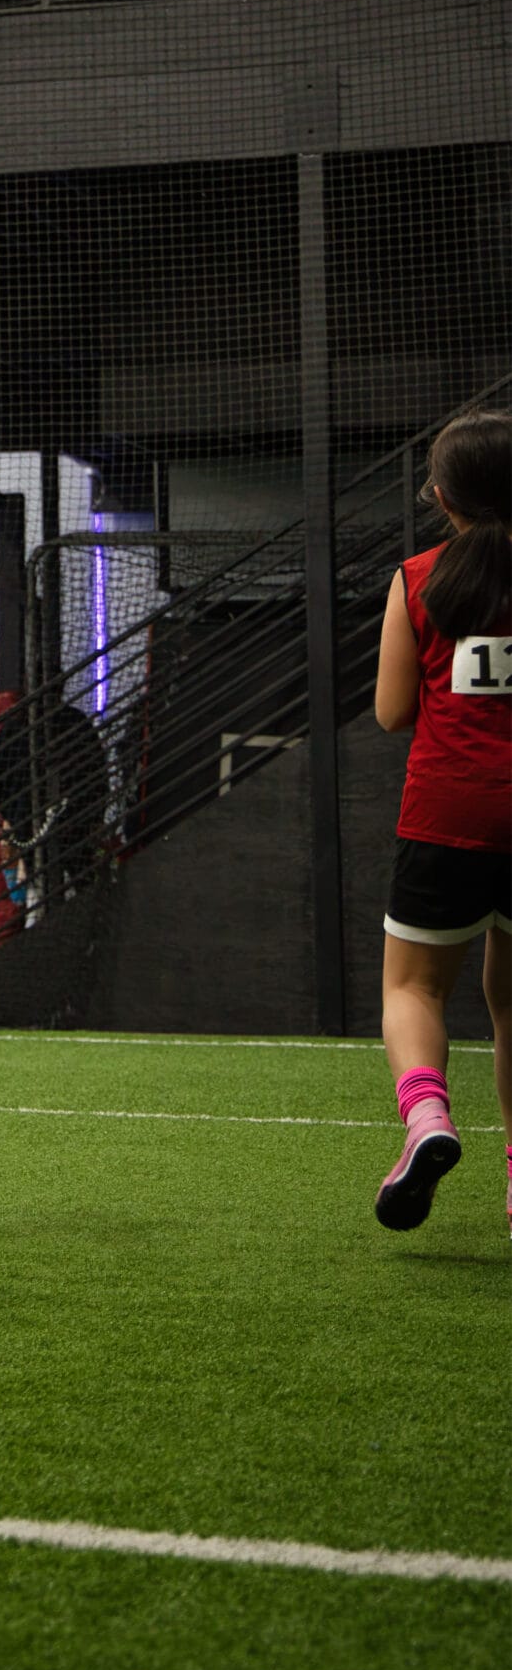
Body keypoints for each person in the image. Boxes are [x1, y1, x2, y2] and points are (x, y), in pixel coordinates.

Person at [370, 410, 511, 1237]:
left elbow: (391, 712)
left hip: (446, 815)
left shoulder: (418, 577)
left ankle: (426, 1119)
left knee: (413, 986)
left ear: (441, 496)